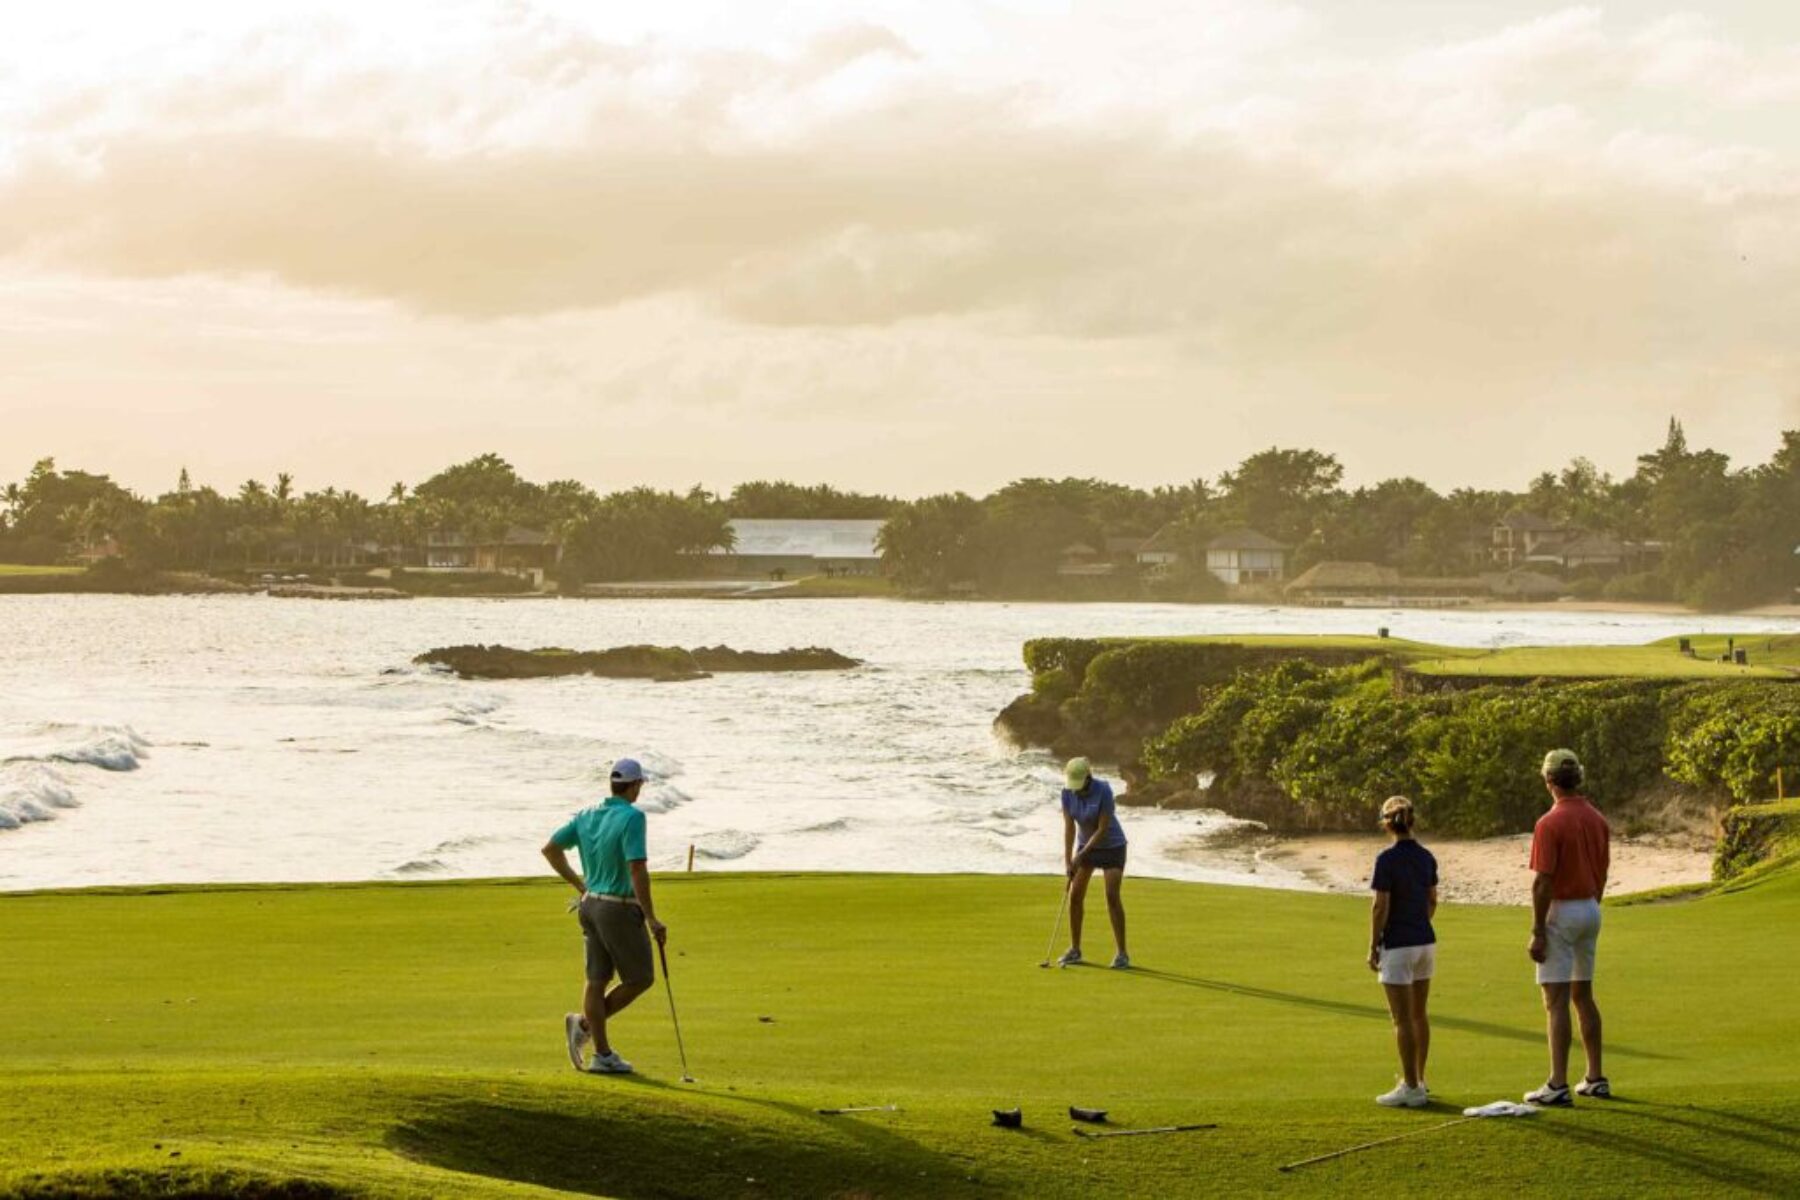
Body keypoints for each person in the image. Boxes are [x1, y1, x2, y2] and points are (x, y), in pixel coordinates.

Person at [541, 757, 668, 1076]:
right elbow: (637, 867)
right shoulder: (633, 817)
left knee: (596, 980)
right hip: (617, 908)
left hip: (590, 905)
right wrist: (651, 917)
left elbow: (551, 849)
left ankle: (601, 1053)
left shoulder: (586, 814)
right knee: (640, 978)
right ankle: (585, 1026)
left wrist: (581, 885)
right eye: (640, 785)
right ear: (635, 785)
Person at [1524, 748, 1611, 1106]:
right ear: (1579, 778)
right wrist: (1591, 904)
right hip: (1591, 908)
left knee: (1555, 999)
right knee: (1583, 994)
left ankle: (1557, 1084)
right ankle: (1594, 1077)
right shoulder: (1597, 818)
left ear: (1548, 781)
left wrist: (1538, 929)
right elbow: (1602, 872)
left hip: (1562, 910)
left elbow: (1543, 882)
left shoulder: (1549, 823)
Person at [1367, 795, 1438, 1108]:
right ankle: (1419, 1080)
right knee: (1419, 1014)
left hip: (1398, 945)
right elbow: (1432, 900)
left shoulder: (1387, 859)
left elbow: (1380, 905)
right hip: (1425, 942)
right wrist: (1418, 921)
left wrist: (1373, 945)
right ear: (1412, 821)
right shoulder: (1426, 856)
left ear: (1386, 823)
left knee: (1402, 1019)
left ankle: (1410, 1087)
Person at [1056, 757, 1130, 969]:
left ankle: (1122, 954)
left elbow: (1103, 828)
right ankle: (1075, 949)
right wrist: (1068, 860)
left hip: (1112, 846)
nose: (1076, 790)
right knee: (1076, 895)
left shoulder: (1104, 790)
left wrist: (1081, 855)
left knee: (1112, 895)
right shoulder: (1067, 793)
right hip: (1084, 847)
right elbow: (1069, 828)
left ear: (1088, 778)